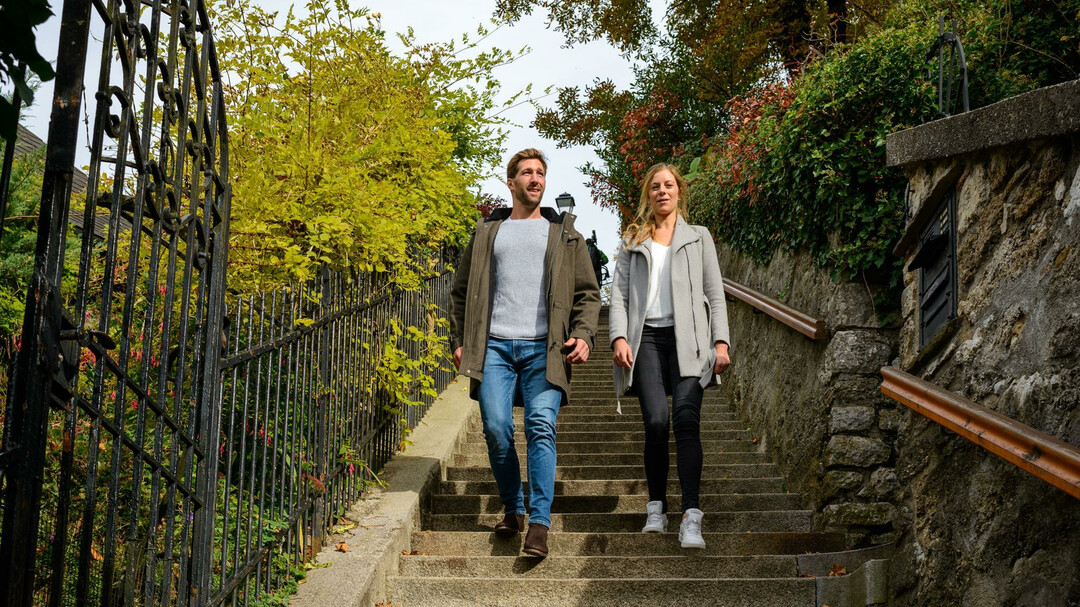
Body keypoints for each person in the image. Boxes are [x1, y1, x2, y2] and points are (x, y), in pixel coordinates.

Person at [450, 148, 601, 558]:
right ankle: (513, 507)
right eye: (527, 173)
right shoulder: (488, 231)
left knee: (540, 425)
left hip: (545, 349)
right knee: (497, 429)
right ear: (511, 182)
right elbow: (460, 291)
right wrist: (459, 339)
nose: (535, 179)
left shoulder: (564, 233)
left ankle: (539, 524)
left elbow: (588, 294)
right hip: (494, 347)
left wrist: (584, 335)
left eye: (540, 173)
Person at [608, 162, 731, 549]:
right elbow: (619, 297)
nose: (662, 191)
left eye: (669, 185)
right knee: (657, 422)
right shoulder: (633, 239)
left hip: (689, 341)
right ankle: (656, 509)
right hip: (646, 340)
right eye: (655, 186)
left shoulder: (699, 237)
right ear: (648, 194)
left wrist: (721, 342)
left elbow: (715, 294)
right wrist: (618, 338)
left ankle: (691, 516)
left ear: (679, 191)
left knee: (686, 421)